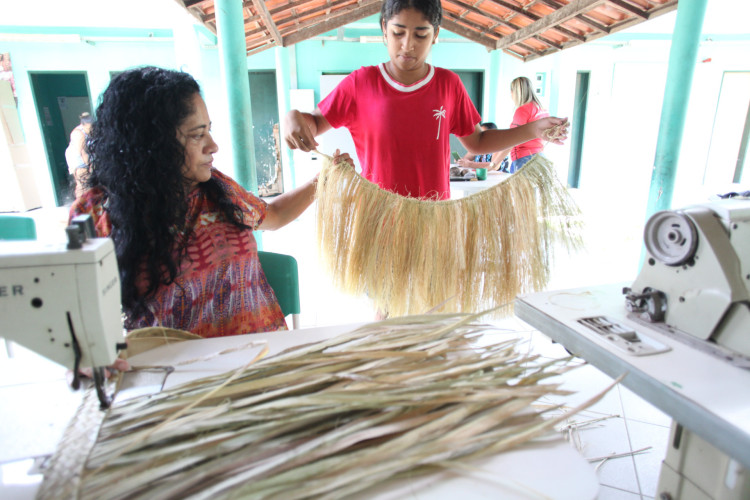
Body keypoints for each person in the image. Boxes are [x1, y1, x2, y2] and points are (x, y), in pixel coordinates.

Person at [70, 66, 348, 338]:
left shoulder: (216, 190)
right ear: (151, 144)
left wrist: (324, 180)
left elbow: (273, 214)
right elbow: (77, 313)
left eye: (209, 130)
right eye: (197, 135)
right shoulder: (97, 215)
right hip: (179, 372)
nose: (213, 145)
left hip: (263, 357)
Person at [283, 0, 568, 201]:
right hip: (378, 221)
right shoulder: (361, 83)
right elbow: (314, 123)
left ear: (435, 35)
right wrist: (293, 118)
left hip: (433, 223)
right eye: (398, 33)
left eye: (421, 34)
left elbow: (478, 142)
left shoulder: (448, 84)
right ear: (384, 29)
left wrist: (532, 130)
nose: (408, 45)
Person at [496, 76, 550, 173]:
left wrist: (495, 163)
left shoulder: (523, 110)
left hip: (524, 161)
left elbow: (511, 140)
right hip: (540, 158)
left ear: (514, 92)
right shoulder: (542, 110)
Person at [65, 112, 93, 199]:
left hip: (83, 162)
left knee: (86, 186)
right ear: (83, 125)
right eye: (90, 128)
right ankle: (81, 208)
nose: (91, 130)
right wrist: (90, 166)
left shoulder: (87, 131)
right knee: (83, 186)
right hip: (80, 164)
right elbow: (82, 152)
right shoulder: (79, 134)